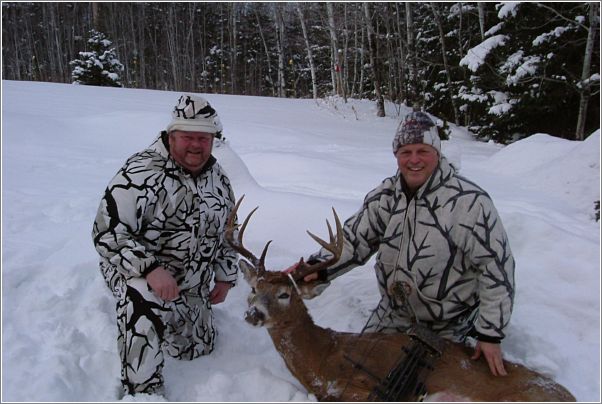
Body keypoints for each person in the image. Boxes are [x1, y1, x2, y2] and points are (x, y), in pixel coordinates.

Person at [288, 111, 515, 377]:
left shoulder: (469, 203)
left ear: (437, 153)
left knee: (420, 382)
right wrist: (318, 267)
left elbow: (496, 267)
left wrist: (490, 334)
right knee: (359, 371)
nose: (414, 160)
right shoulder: (386, 196)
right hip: (395, 312)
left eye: (423, 151)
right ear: (396, 155)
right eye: (406, 152)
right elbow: (354, 239)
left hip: (448, 319)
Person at [92, 94, 239, 396]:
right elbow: (106, 232)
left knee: (195, 349)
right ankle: (143, 391)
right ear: (171, 136)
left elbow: (228, 232)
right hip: (137, 271)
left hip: (190, 279)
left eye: (204, 138)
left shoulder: (219, 180)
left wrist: (225, 276)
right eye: (187, 137)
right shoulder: (140, 172)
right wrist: (150, 269)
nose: (196, 145)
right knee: (142, 298)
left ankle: (172, 316)